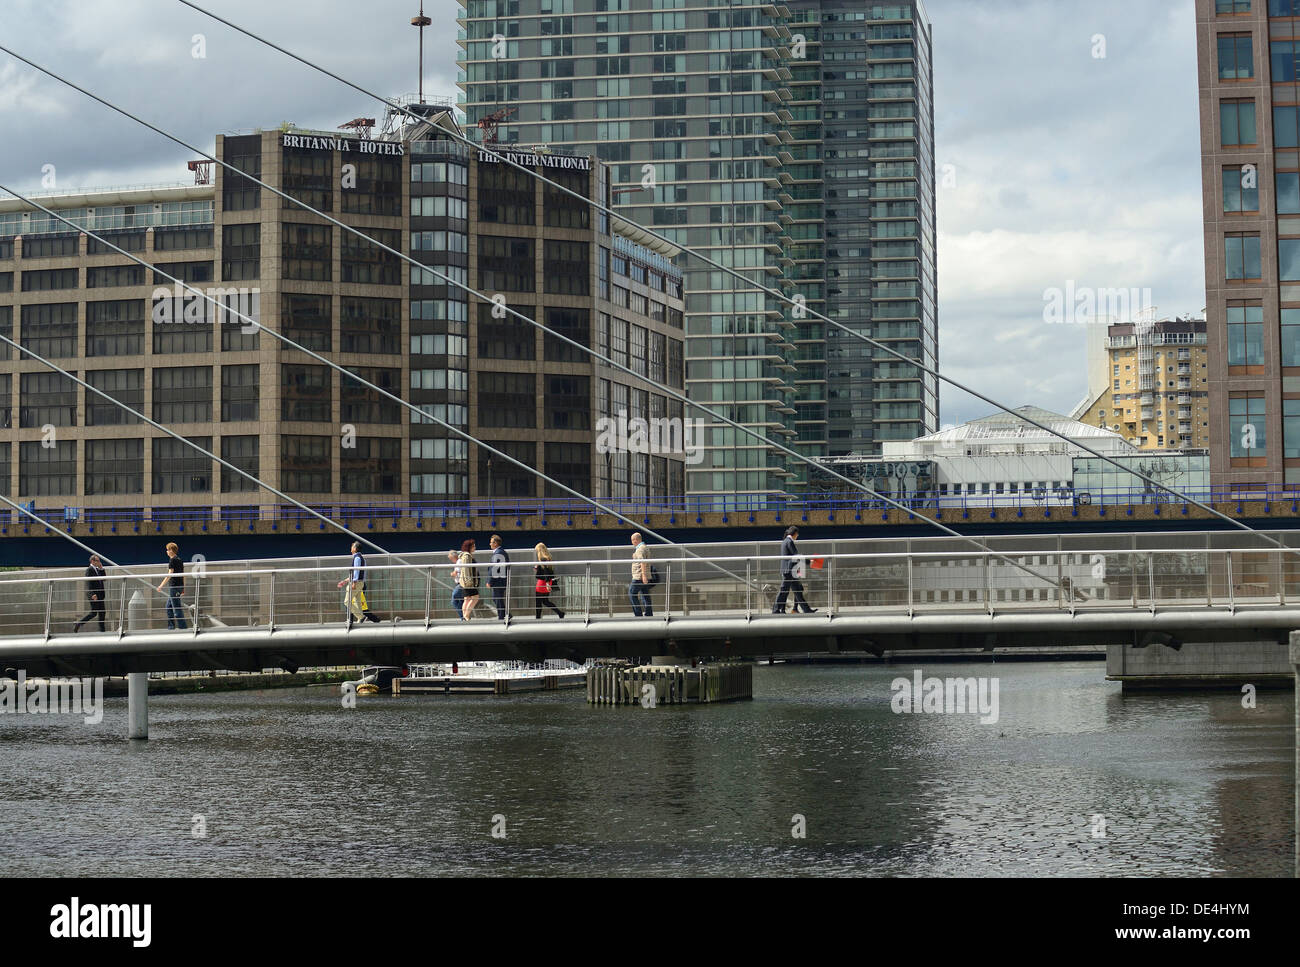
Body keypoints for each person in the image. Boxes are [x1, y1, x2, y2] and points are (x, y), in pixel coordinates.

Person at [773, 525, 817, 615]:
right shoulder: (789, 542)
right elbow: (796, 555)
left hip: (790, 571)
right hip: (789, 571)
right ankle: (776, 610)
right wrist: (809, 562)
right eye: (797, 535)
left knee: (798, 590)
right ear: (795, 534)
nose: (797, 537)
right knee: (784, 591)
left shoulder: (785, 541)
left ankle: (805, 609)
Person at [337, 541, 381, 628]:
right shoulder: (362, 559)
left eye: (352, 546)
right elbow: (359, 573)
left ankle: (361, 617)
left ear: (355, 548)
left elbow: (356, 571)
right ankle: (360, 618)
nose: (351, 548)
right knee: (358, 603)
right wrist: (345, 581)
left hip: (356, 583)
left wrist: (354, 583)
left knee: (347, 601)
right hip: (360, 583)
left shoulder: (357, 558)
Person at [156, 542, 187, 630]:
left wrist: (161, 586)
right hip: (179, 586)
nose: (167, 552)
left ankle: (183, 628)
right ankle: (171, 626)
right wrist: (183, 588)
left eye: (168, 550)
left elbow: (170, 574)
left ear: (171, 551)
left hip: (174, 587)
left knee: (176, 609)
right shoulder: (180, 560)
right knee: (168, 606)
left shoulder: (172, 560)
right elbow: (183, 574)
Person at [73, 554, 107, 633]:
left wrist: (101, 568)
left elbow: (104, 579)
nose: (99, 562)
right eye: (97, 561)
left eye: (99, 561)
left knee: (102, 612)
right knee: (94, 613)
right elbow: (88, 583)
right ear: (92, 561)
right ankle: (78, 624)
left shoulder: (98, 569)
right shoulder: (89, 570)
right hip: (94, 595)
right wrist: (92, 594)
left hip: (100, 595)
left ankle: (102, 631)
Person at [533, 543, 564, 619]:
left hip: (542, 583)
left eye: (537, 551)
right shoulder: (548, 558)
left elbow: (546, 572)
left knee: (538, 602)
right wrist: (538, 568)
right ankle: (560, 613)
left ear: (540, 550)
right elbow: (547, 571)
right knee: (545, 601)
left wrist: (547, 583)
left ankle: (538, 618)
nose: (537, 552)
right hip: (547, 582)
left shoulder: (543, 559)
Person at [628, 531, 653, 617]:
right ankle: (649, 613)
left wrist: (643, 575)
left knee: (631, 593)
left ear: (635, 540)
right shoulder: (645, 547)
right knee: (645, 594)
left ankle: (638, 614)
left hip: (639, 576)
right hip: (644, 575)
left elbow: (642, 561)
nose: (632, 542)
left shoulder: (640, 549)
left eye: (632, 540)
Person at [457, 539, 482, 620]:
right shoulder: (467, 556)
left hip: (466, 582)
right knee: (475, 597)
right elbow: (466, 569)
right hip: (468, 582)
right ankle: (466, 615)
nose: (475, 547)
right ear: (469, 547)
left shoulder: (466, 555)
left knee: (467, 599)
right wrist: (469, 581)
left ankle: (464, 616)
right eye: (473, 546)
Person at [488, 534, 510, 620]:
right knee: (496, 598)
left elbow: (494, 568)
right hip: (500, 580)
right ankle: (505, 614)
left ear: (496, 543)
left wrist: (490, 581)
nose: (490, 544)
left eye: (491, 542)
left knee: (497, 598)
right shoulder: (500, 552)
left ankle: (502, 616)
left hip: (498, 580)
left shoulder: (499, 553)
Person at [447, 550, 465, 620]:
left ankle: (462, 617)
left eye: (451, 559)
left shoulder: (459, 561)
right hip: (460, 584)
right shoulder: (459, 561)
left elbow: (455, 573)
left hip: (461, 584)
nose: (451, 560)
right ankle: (463, 617)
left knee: (454, 600)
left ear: (454, 557)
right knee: (461, 601)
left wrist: (452, 574)